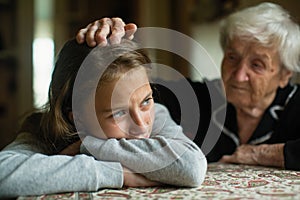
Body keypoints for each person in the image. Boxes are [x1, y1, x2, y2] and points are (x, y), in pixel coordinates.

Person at [76, 2, 300, 170]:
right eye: (232, 57)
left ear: (284, 75)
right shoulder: (200, 98)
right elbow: (123, 93)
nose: (239, 75)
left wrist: (261, 154)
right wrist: (101, 47)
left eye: (257, 65)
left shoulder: (295, 105)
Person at [0, 39, 206, 198]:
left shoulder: (157, 114)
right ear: (77, 120)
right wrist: (114, 173)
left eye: (145, 101)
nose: (142, 124)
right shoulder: (45, 132)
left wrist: (90, 145)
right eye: (118, 113)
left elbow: (191, 168)